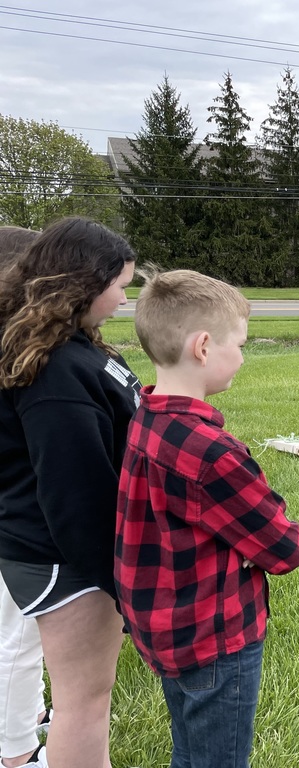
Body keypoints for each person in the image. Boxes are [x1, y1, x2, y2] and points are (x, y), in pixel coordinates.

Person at [115, 269, 299, 768]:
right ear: (203, 346)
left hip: (165, 628)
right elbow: (285, 549)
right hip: (214, 639)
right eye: (239, 344)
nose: (242, 356)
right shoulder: (210, 452)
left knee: (192, 750)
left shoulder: (146, 413)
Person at [0, 217, 140, 768]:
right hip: (66, 559)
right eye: (120, 284)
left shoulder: (72, 348)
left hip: (66, 554)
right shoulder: (57, 372)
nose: (126, 297)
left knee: (84, 701)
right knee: (84, 704)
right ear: (83, 282)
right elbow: (76, 496)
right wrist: (121, 581)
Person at [0, 227, 49, 768]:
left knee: (23, 632)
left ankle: (29, 717)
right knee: (17, 635)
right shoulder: (14, 353)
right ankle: (15, 753)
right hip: (18, 520)